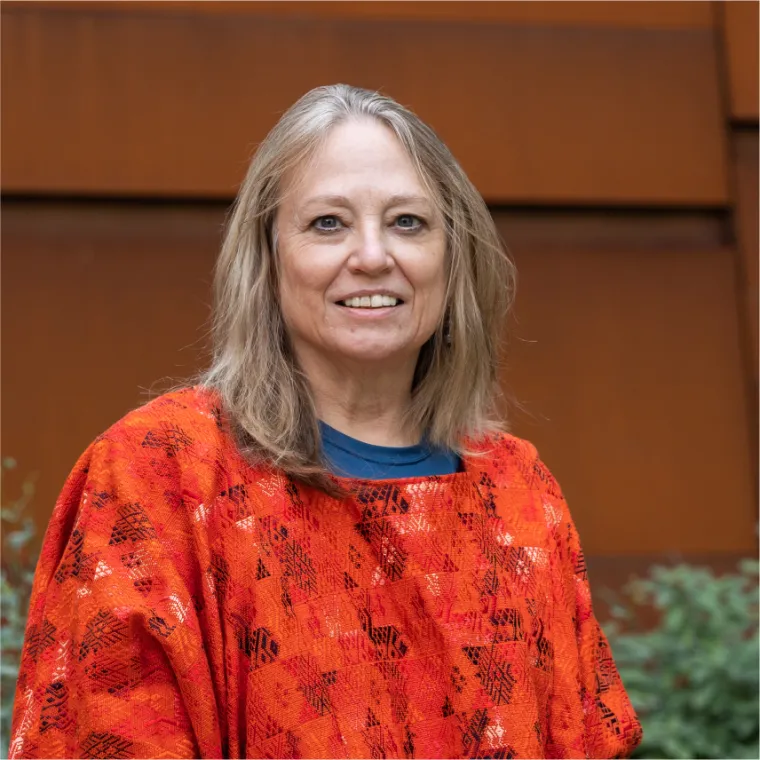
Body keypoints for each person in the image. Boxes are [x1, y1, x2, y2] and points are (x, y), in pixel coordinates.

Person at [10, 84, 642, 759]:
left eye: (407, 222)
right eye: (328, 223)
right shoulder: (160, 473)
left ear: (454, 256)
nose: (372, 255)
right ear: (269, 257)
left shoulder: (520, 493)